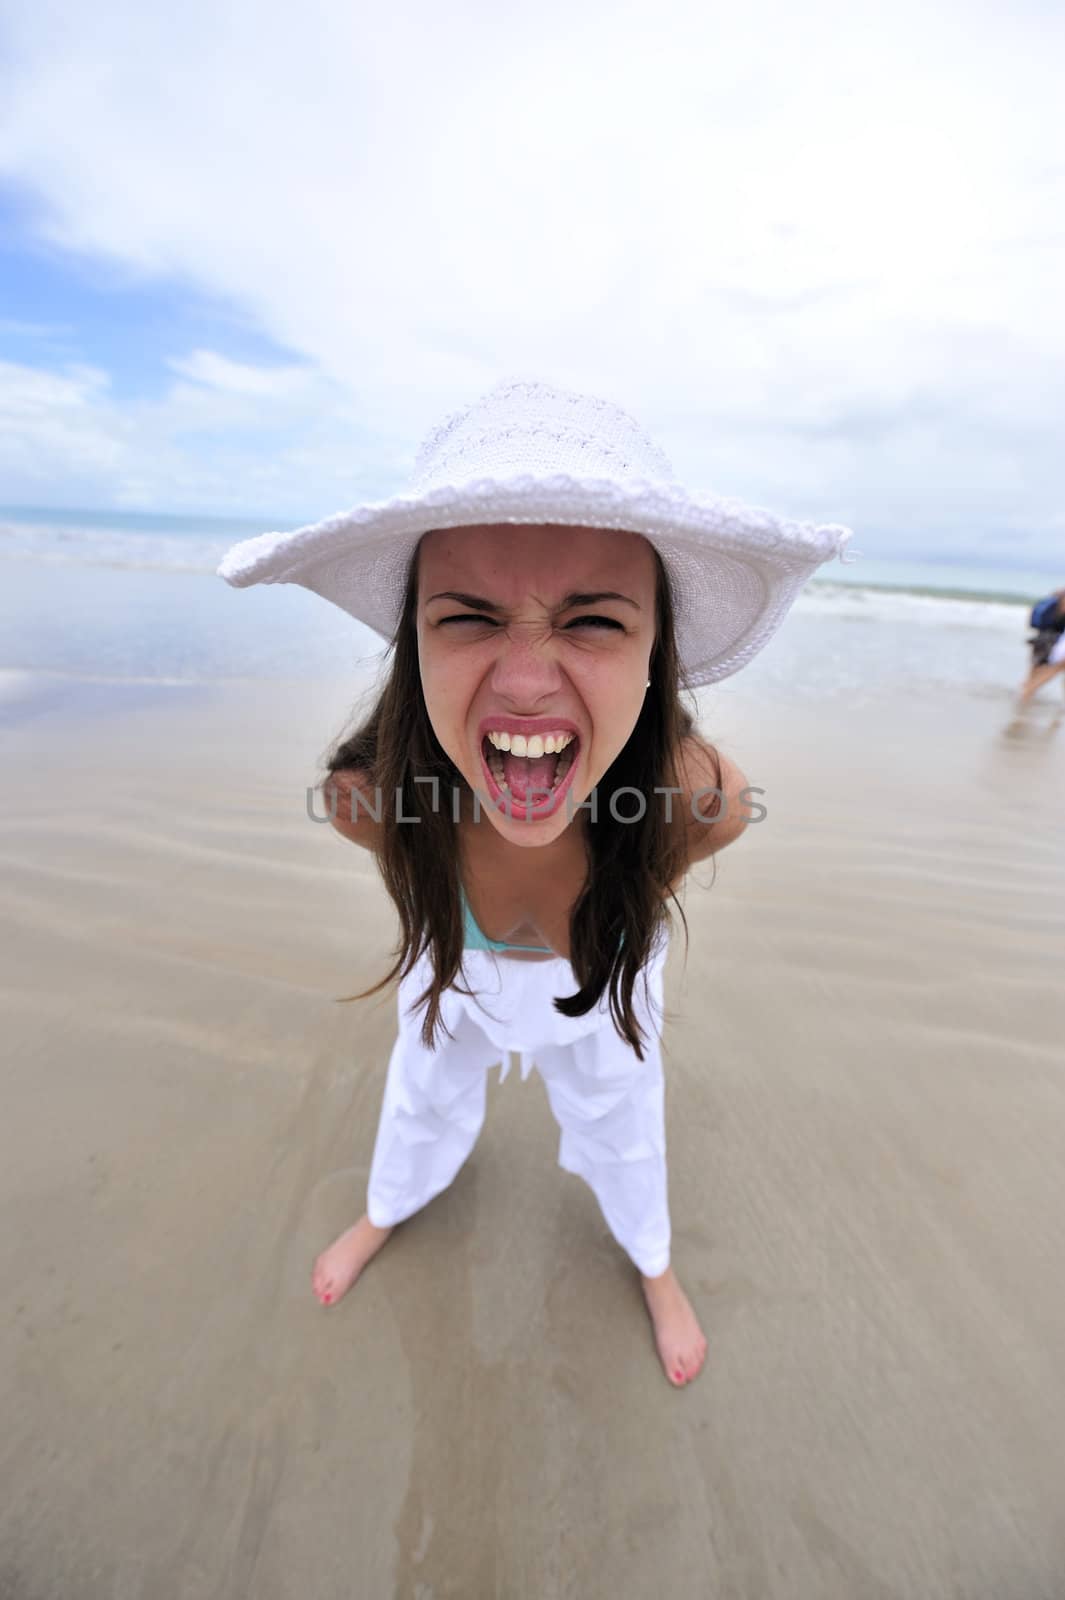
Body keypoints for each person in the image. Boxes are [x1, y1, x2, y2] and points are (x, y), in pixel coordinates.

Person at [217, 378, 854, 1389]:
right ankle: (385, 1207)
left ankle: (654, 1263)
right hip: (455, 967)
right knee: (420, 1094)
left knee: (621, 1115)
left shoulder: (697, 800)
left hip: (600, 978)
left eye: (594, 621)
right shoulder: (371, 800)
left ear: (658, 652)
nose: (523, 682)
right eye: (466, 616)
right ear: (412, 649)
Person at [1017, 588, 1065, 707]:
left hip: (1041, 639)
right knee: (1051, 671)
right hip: (1054, 642)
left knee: (1034, 674)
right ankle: (1023, 700)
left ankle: (1023, 701)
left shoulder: (1056, 597)